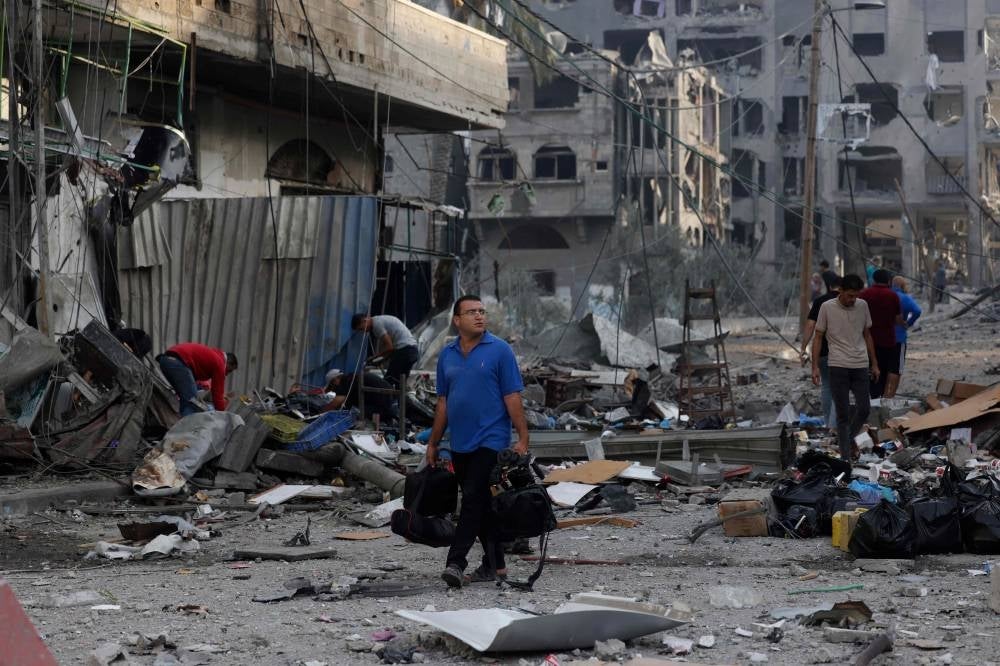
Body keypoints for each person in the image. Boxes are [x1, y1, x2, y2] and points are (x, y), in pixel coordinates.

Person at [426, 295, 529, 588]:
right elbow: (444, 402)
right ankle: (495, 566)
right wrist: (433, 443)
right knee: (480, 504)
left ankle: (456, 562)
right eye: (471, 312)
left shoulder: (499, 350)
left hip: (492, 439)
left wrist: (522, 437)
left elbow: (512, 396)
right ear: (457, 320)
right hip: (460, 442)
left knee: (472, 499)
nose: (479, 316)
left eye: (482, 311)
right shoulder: (447, 355)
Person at [812, 274, 879, 462]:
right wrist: (814, 366)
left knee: (864, 409)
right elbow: (818, 337)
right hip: (837, 365)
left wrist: (874, 363)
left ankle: (847, 441)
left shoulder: (862, 306)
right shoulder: (827, 308)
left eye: (855, 296)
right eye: (849, 295)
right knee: (842, 414)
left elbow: (867, 335)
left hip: (860, 364)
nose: (852, 300)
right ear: (840, 291)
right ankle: (845, 459)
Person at [801, 276, 841, 429]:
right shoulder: (848, 302)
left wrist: (803, 347)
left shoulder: (819, 302)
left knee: (827, 386)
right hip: (842, 353)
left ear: (829, 286)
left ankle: (828, 423)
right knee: (840, 388)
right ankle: (834, 425)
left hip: (822, 351)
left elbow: (810, 326)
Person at [156, 343, 237, 416]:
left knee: (186, 399)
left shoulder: (213, 355)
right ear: (228, 362)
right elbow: (217, 395)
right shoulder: (220, 364)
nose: (226, 374)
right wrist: (222, 416)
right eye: (229, 371)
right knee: (192, 403)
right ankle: (187, 430)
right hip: (178, 363)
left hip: (166, 361)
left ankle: (181, 424)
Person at [860, 268, 902, 398]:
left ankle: (872, 395)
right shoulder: (893, 296)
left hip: (868, 340)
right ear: (888, 280)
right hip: (888, 340)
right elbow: (898, 318)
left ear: (874, 279)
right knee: (884, 369)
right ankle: (880, 397)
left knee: (871, 368)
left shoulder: (865, 294)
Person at [352, 313, 419, 386]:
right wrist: (380, 360)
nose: (364, 332)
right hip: (412, 350)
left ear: (364, 320)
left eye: (362, 329)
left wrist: (375, 357)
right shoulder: (380, 320)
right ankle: (399, 397)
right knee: (399, 383)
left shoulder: (376, 324)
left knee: (388, 381)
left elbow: (389, 347)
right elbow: (390, 350)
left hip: (404, 350)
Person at [887, 276, 922, 398]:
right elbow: (917, 310)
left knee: (885, 367)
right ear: (903, 286)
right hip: (899, 337)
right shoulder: (905, 298)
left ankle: (883, 394)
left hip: (882, 337)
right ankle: (890, 396)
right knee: (896, 368)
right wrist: (909, 323)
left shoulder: (886, 295)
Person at [323, 369, 397, 420]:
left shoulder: (348, 382)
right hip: (390, 401)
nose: (333, 389)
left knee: (354, 414)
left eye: (332, 386)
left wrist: (323, 414)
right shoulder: (352, 378)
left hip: (383, 406)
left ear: (336, 379)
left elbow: (341, 402)